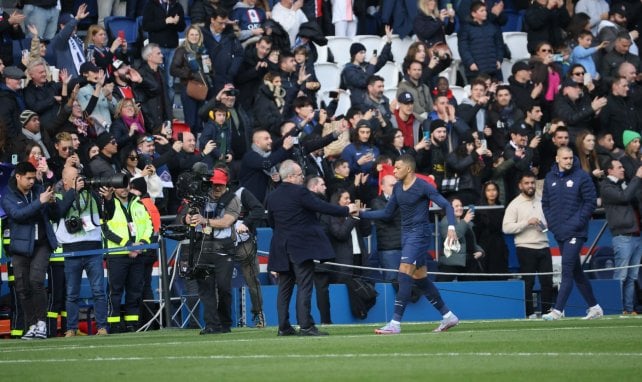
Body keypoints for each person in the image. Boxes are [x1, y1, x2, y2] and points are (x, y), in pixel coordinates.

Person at [359, 154, 460, 334]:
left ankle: (395, 323)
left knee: (403, 273)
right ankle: (448, 316)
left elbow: (447, 205)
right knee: (420, 278)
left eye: (398, 168)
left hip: (420, 235)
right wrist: (361, 214)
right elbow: (386, 214)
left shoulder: (423, 186)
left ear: (409, 169)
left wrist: (451, 226)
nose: (394, 170)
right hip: (406, 236)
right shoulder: (398, 188)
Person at [267, 160, 357, 336]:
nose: (302, 177)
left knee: (284, 288)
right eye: (300, 174)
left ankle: (283, 327)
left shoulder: (273, 196)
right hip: (301, 246)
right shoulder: (300, 192)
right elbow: (322, 207)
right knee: (305, 285)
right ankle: (306, 325)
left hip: (280, 246)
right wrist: (346, 210)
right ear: (291, 176)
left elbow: (271, 222)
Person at [541, 146, 603, 320]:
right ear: (557, 159)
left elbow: (590, 202)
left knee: (567, 269)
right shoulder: (549, 178)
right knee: (576, 271)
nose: (568, 161)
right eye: (565, 158)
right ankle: (595, 307)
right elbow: (545, 203)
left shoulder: (581, 176)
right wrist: (552, 223)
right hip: (559, 232)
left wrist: (577, 222)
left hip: (576, 232)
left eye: (570, 158)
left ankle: (557, 311)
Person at [178, 168, 241, 334]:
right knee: (205, 288)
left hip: (223, 248)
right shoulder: (200, 197)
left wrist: (203, 220)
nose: (217, 188)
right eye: (214, 185)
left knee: (223, 287)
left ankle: (225, 322)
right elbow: (184, 217)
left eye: (220, 185)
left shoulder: (232, 199)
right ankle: (212, 324)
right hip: (202, 247)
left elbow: (226, 222)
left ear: (226, 184)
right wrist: (188, 218)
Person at [1, 162, 58, 339]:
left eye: (34, 177)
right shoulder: (8, 197)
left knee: (36, 281)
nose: (32, 181)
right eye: (28, 178)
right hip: (19, 247)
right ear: (18, 176)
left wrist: (52, 203)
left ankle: (42, 323)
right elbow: (18, 215)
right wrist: (39, 202)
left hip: (42, 244)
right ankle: (32, 325)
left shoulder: (40, 190)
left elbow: (56, 215)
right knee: (22, 287)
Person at [54, 166, 110, 336]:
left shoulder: (91, 193)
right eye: (74, 179)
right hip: (71, 251)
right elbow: (58, 212)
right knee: (72, 293)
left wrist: (107, 200)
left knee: (99, 291)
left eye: (80, 178)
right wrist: (73, 191)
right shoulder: (58, 196)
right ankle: (71, 328)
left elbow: (108, 215)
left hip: (93, 248)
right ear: (65, 181)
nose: (79, 181)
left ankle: (102, 327)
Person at [502, 171, 554, 319]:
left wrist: (547, 224)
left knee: (547, 282)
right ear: (520, 185)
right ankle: (529, 313)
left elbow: (549, 219)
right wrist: (526, 223)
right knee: (528, 283)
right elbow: (506, 228)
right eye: (527, 183)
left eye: (532, 183)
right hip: (525, 247)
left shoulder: (542, 200)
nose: (530, 186)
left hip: (544, 245)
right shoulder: (514, 205)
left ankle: (547, 312)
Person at [104, 180, 153, 332]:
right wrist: (128, 244)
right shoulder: (108, 204)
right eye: (119, 186)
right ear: (113, 188)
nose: (123, 189)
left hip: (138, 254)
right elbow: (105, 230)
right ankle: (114, 325)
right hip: (117, 254)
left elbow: (149, 225)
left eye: (125, 185)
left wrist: (142, 243)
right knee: (115, 292)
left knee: (135, 291)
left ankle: (133, 325)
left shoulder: (138, 203)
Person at [600, 159, 642, 315]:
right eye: (619, 167)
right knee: (621, 276)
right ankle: (617, 308)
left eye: (623, 167)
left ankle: (628, 309)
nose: (623, 169)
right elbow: (624, 197)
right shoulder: (606, 187)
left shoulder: (624, 184)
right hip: (623, 236)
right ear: (609, 171)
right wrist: (637, 177)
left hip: (636, 234)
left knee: (632, 277)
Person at [437, 197, 485, 281]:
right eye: (456, 206)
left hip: (469, 261)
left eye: (461, 206)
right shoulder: (446, 221)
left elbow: (471, 242)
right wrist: (465, 221)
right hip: (451, 262)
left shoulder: (466, 223)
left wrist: (480, 252)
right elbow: (454, 237)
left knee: (473, 289)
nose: (460, 208)